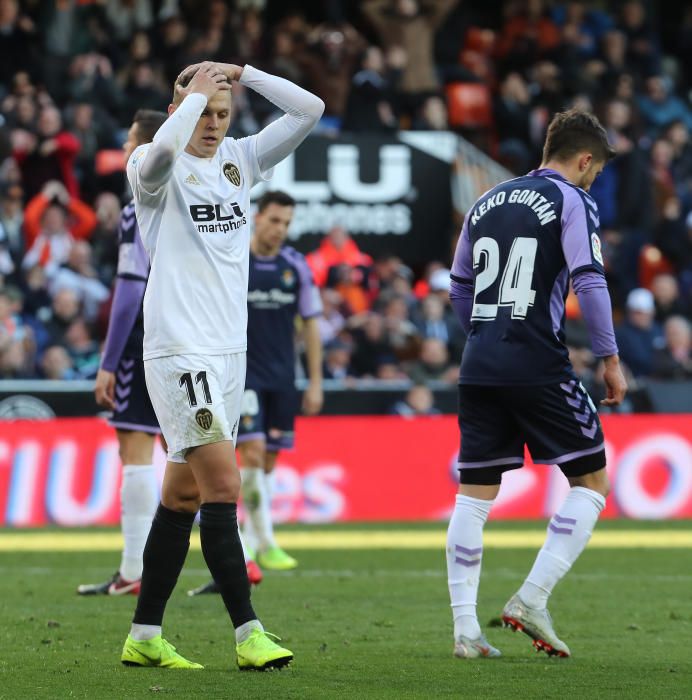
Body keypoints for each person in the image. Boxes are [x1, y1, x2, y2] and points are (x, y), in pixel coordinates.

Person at [121, 61, 323, 671]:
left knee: (181, 496)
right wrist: (191, 98)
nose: (212, 124)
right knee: (224, 488)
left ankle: (145, 636)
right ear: (181, 105)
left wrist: (244, 73)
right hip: (180, 351)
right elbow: (158, 154)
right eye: (203, 112)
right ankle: (249, 634)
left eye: (220, 114)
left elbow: (308, 109)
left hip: (228, 357)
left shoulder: (240, 160)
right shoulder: (152, 168)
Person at [446, 109, 627, 660]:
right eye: (594, 171)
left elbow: (458, 287)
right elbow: (589, 280)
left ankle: (464, 632)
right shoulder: (573, 200)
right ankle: (531, 598)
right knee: (592, 479)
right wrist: (609, 356)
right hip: (536, 362)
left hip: (479, 362)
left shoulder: (487, 199)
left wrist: (484, 336)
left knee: (474, 495)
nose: (593, 181)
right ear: (584, 159)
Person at [188, 189, 323, 595]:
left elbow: (311, 322)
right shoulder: (234, 259)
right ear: (257, 218)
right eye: (274, 220)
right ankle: (263, 544)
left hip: (283, 379)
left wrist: (314, 381)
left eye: (286, 223)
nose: (280, 230)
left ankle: (250, 540)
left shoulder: (294, 266)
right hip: (241, 375)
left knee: (267, 461)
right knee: (250, 452)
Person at [77, 109, 168, 597]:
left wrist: (108, 362)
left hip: (143, 340)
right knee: (192, 455)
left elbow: (130, 288)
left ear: (144, 145)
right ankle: (236, 560)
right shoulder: (187, 194)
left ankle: (133, 571)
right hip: (190, 334)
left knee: (134, 450)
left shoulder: (140, 205)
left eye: (131, 139)